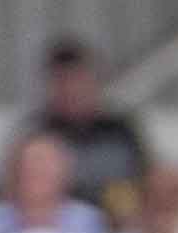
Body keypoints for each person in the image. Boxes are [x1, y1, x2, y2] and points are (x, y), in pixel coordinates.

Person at [31, 39, 150, 218]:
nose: (71, 90)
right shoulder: (37, 134)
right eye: (63, 81)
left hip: (116, 231)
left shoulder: (122, 133)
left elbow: (144, 182)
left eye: (77, 80)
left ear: (94, 82)